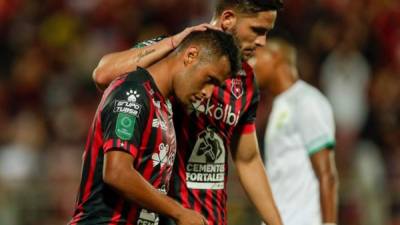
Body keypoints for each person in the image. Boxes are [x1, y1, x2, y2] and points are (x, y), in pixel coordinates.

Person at [92, 1, 285, 225]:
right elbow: (103, 75)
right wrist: (172, 42)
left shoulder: (246, 81)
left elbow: (248, 159)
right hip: (162, 215)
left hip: (207, 218)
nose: (262, 42)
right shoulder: (176, 53)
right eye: (257, 30)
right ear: (228, 19)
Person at [69, 29, 241, 225]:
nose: (208, 93)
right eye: (209, 79)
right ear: (191, 55)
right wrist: (180, 212)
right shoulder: (132, 93)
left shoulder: (164, 106)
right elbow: (116, 172)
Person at [250, 38, 339, 225]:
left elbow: (327, 173)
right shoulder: (281, 104)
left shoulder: (307, 101)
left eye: (255, 57)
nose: (250, 65)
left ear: (275, 57)